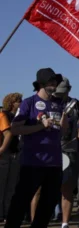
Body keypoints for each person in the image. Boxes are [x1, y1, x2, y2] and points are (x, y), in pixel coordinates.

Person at [5, 69, 67, 228]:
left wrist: (64, 122)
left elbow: (63, 132)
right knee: (21, 200)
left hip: (54, 162)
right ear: (41, 84)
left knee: (49, 202)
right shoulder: (29, 103)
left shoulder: (58, 104)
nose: (54, 85)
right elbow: (15, 129)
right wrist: (40, 126)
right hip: (33, 161)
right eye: (51, 82)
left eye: (55, 82)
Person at [55, 78, 79, 228]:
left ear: (69, 89)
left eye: (62, 92)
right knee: (42, 189)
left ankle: (65, 223)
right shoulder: (48, 104)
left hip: (70, 152)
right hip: (50, 152)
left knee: (67, 189)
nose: (58, 95)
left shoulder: (75, 104)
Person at [0, 93, 23, 223]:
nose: (20, 103)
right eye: (18, 101)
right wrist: (2, 149)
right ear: (11, 102)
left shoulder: (17, 117)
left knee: (11, 187)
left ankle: (7, 213)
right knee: (2, 186)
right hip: (5, 155)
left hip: (14, 154)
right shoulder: (4, 115)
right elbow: (8, 134)